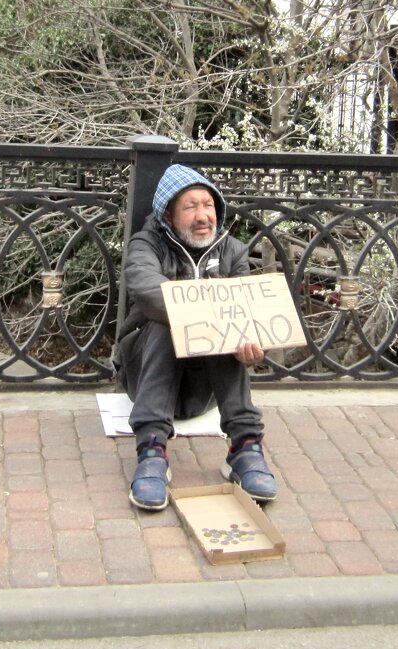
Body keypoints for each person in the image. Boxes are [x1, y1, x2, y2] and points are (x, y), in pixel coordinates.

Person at [114, 163, 277, 509]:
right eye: (191, 207)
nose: (203, 215)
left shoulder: (233, 251)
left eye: (208, 205)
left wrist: (250, 342)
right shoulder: (146, 245)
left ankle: (244, 448)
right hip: (147, 376)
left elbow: (248, 314)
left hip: (206, 390)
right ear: (169, 216)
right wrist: (209, 312)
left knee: (226, 323)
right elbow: (146, 288)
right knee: (169, 319)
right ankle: (152, 451)